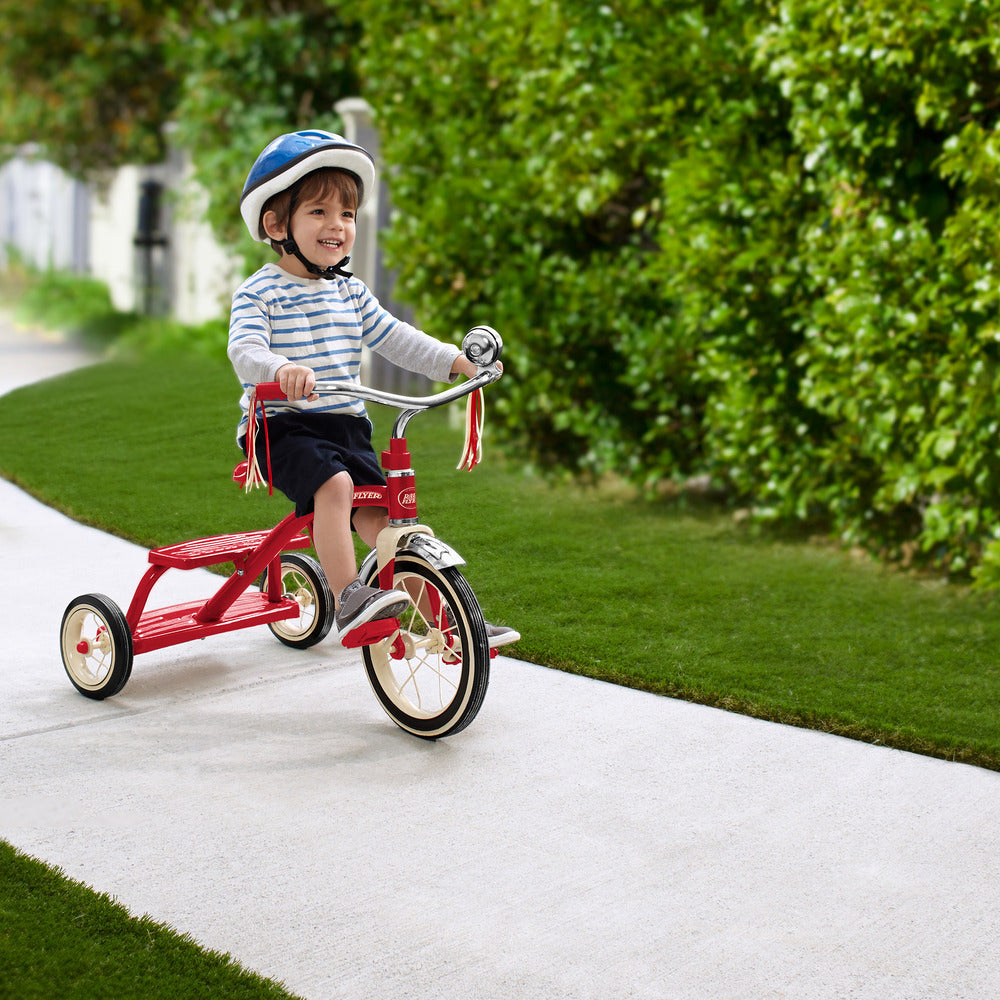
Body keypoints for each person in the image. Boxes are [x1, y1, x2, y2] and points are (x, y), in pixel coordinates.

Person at [229, 129, 520, 647]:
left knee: (386, 519)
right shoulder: (260, 292)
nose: (336, 225)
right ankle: (348, 598)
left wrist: (456, 362)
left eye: (347, 214)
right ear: (277, 224)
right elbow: (244, 350)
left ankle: (451, 623)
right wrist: (280, 370)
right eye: (318, 212)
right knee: (335, 488)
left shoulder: (350, 291)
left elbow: (396, 338)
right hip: (280, 428)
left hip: (344, 426)